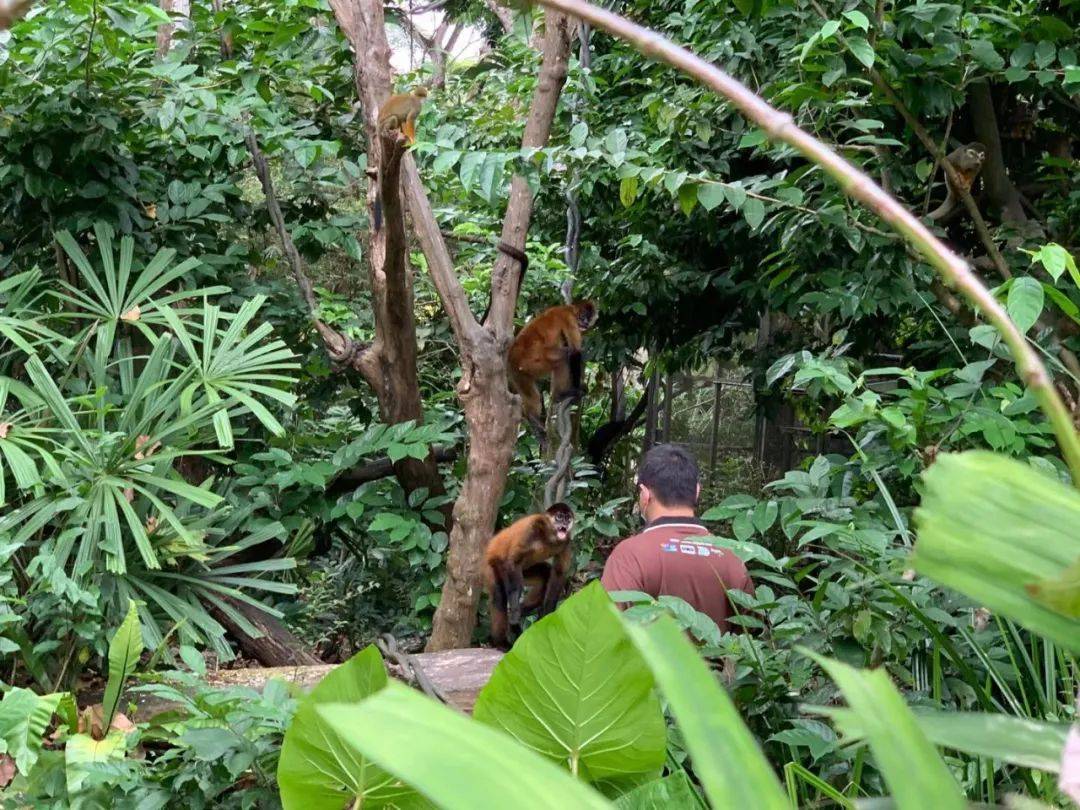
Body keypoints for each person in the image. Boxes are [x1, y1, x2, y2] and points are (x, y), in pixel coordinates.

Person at [600, 443, 754, 632]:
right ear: (697, 491)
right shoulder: (731, 557)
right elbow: (753, 633)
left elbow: (607, 630)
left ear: (645, 494)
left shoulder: (629, 555)